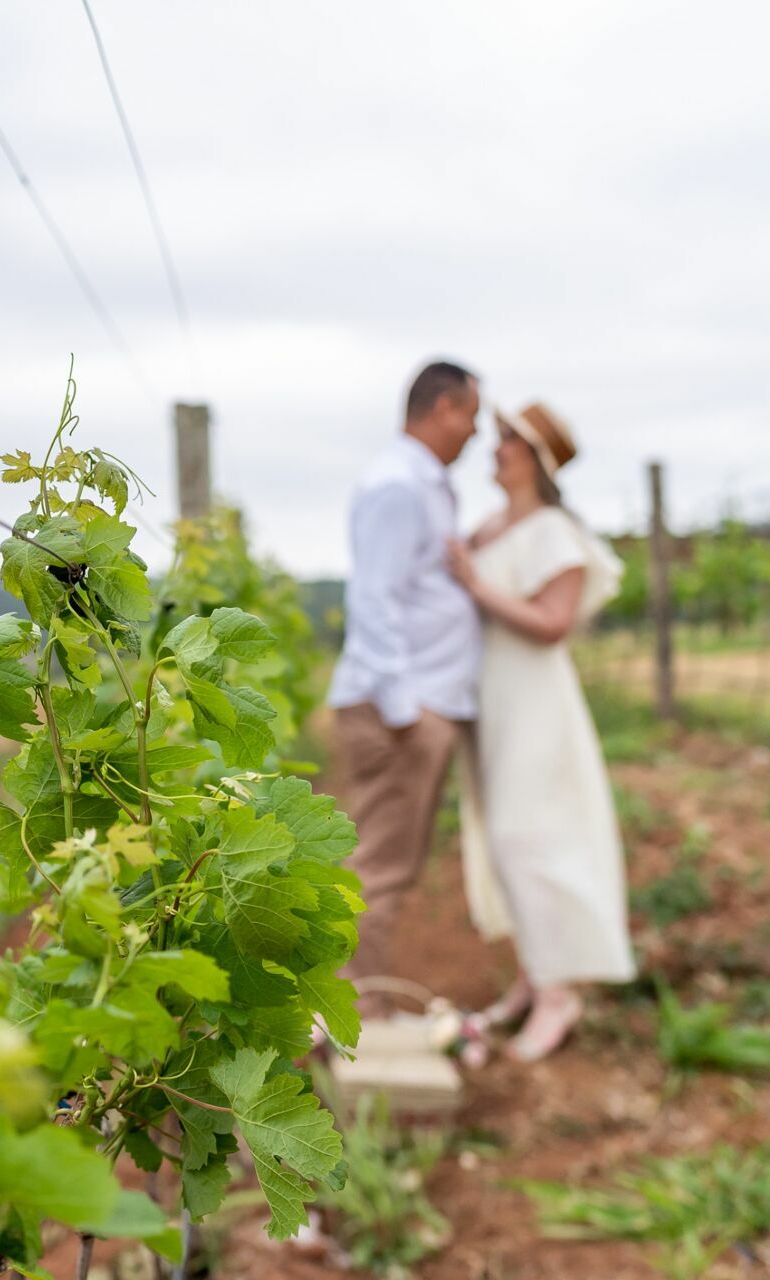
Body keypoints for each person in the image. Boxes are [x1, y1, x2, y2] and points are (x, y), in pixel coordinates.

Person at [446, 402, 635, 1062]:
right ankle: (534, 974)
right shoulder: (491, 526)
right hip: (495, 701)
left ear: (534, 459)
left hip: (535, 703)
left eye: (508, 441)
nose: (495, 450)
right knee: (503, 840)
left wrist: (475, 585)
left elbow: (553, 623)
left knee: (528, 836)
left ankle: (560, 992)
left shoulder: (554, 531)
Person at [327, 359, 482, 1020]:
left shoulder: (424, 485)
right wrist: (404, 713)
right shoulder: (398, 485)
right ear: (443, 408)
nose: (474, 431)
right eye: (471, 415)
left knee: (390, 864)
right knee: (379, 868)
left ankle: (356, 1008)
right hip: (400, 710)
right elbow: (375, 600)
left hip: (417, 703)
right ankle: (353, 1016)